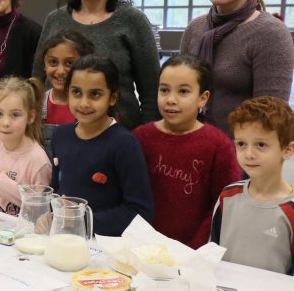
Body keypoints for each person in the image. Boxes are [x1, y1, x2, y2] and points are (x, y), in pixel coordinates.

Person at [31, 0, 160, 131]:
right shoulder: (55, 19)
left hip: (119, 134)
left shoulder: (133, 21)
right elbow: (37, 80)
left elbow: (151, 92)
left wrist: (144, 136)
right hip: (56, 133)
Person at [180, 0, 294, 137]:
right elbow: (178, 89)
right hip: (191, 142)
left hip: (240, 153)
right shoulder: (195, 29)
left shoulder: (271, 33)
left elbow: (270, 117)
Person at [133, 54, 240, 249]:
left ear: (203, 98)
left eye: (183, 91)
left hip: (193, 253)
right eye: (164, 90)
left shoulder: (219, 146)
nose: (171, 99)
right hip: (140, 248)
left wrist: (192, 249)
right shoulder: (140, 138)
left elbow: (222, 206)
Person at [51, 55, 154, 236]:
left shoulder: (124, 144)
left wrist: (82, 221)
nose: (84, 103)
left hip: (106, 247)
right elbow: (57, 188)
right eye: (76, 92)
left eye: (95, 94)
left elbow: (140, 211)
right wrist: (51, 212)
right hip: (65, 238)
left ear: (113, 97)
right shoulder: (61, 135)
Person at [211, 96, 294, 274]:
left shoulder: (291, 211)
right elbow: (212, 254)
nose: (248, 154)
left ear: (287, 150)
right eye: (241, 144)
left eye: (261, 145)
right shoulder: (227, 196)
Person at [0, 77, 51, 216]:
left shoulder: (38, 161)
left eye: (15, 115)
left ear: (30, 116)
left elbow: (39, 210)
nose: (6, 122)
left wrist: (1, 182)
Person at [36, 29, 95, 160]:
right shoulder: (36, 105)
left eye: (69, 63)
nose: (61, 71)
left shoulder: (92, 108)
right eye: (53, 62)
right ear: (44, 65)